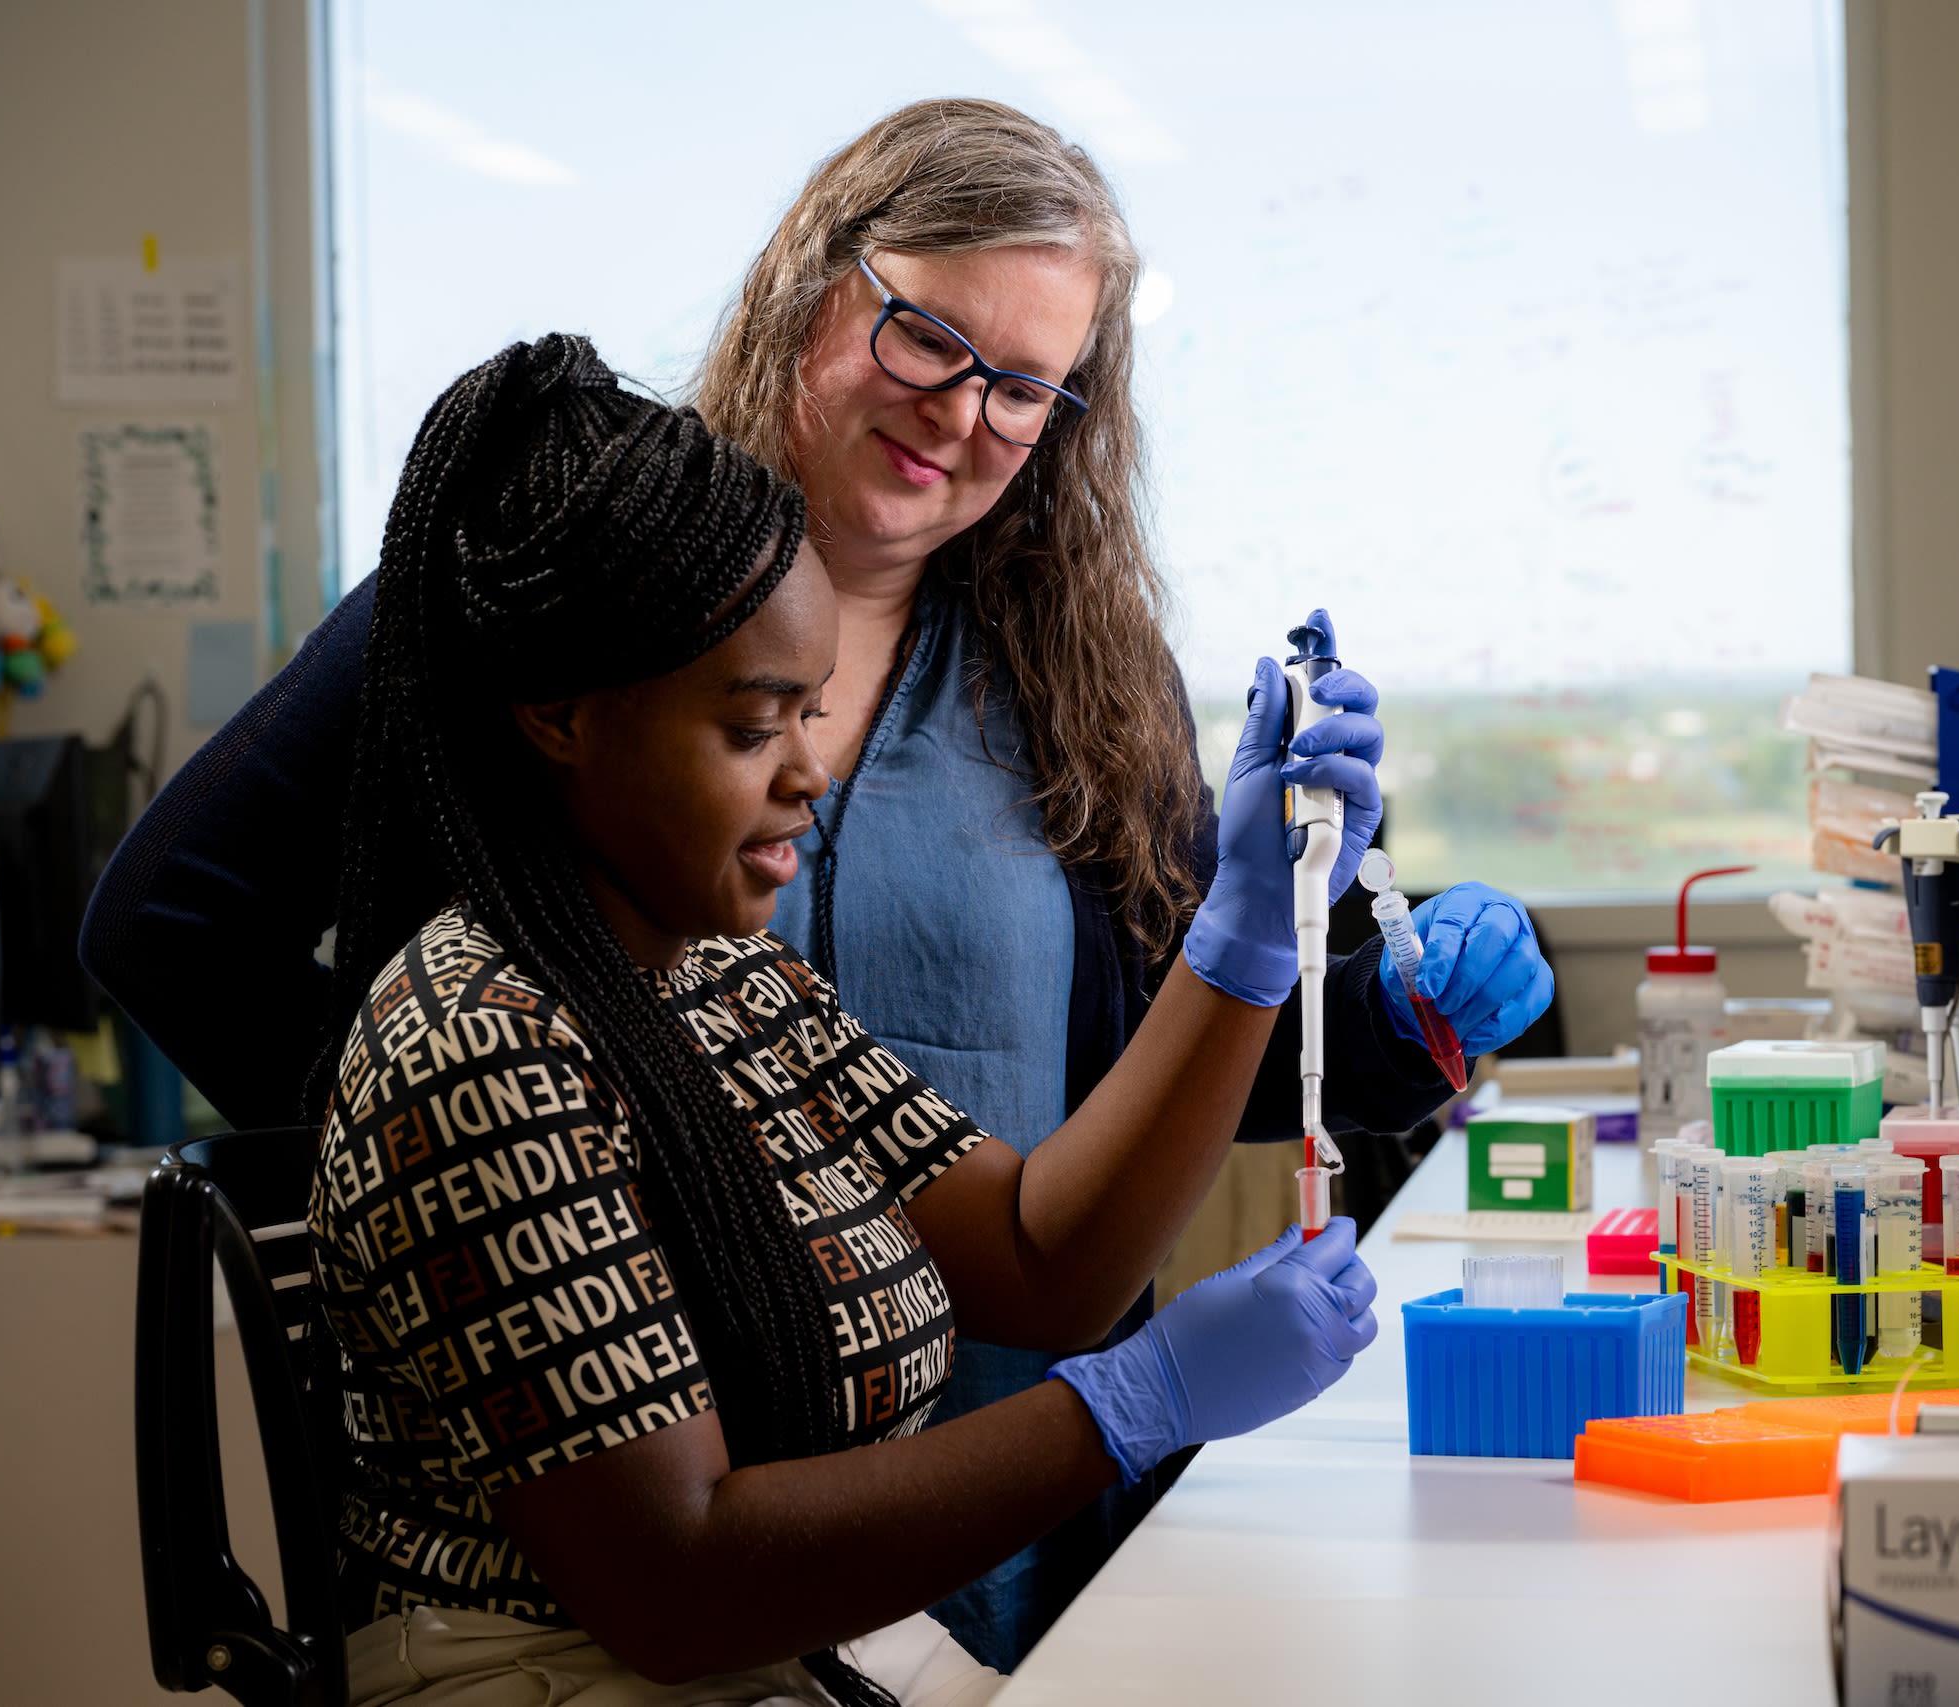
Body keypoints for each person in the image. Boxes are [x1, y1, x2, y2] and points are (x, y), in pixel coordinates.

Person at [81, 98, 1554, 1665]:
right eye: (929, 340)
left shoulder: (839, 886)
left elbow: (1128, 1144)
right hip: (629, 1564)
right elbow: (175, 925)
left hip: (998, 1491)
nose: (967, 412)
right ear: (815, 281)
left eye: (1027, 386)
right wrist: (490, 1189)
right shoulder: (559, 598)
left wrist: (1342, 985)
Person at [311, 334, 1376, 1707]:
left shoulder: (714, 980)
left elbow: (1045, 1261)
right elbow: (677, 1587)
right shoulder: (482, 1052)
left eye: (811, 712)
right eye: (755, 728)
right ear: (563, 715)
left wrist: (1243, 937)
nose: (810, 773)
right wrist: (1131, 1405)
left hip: (794, 1655)